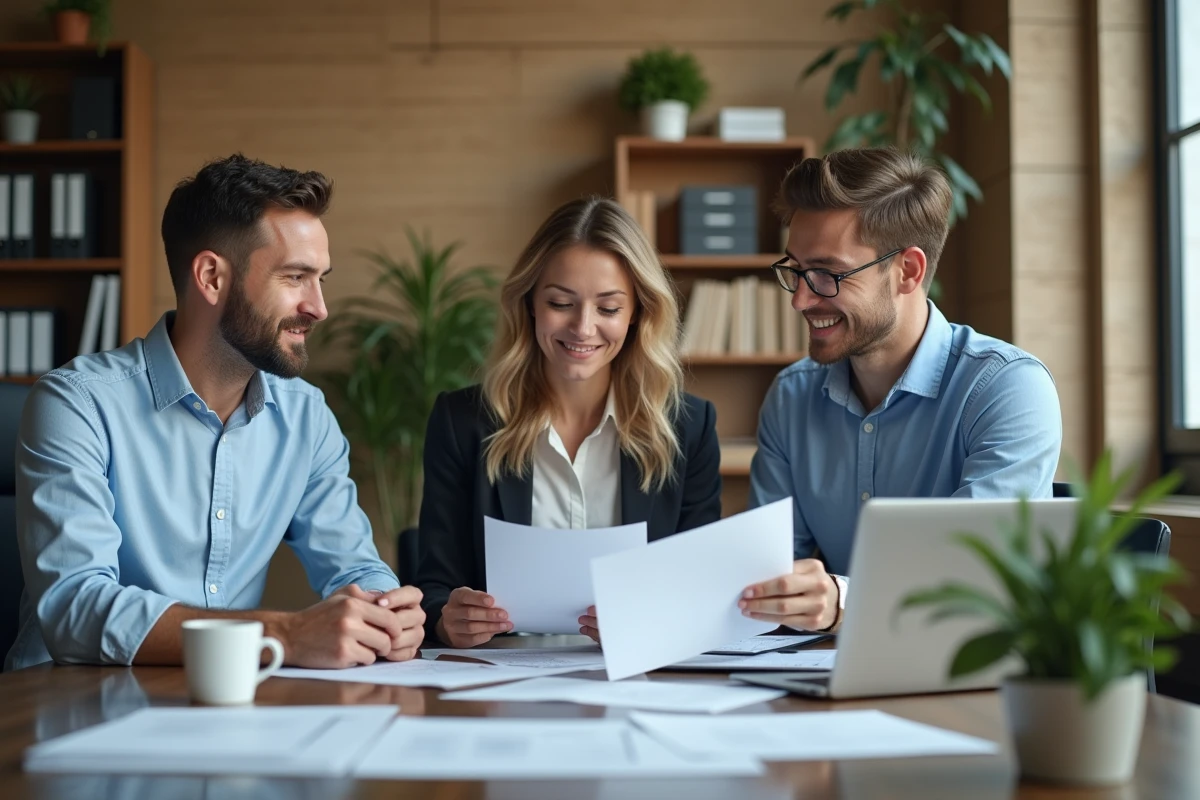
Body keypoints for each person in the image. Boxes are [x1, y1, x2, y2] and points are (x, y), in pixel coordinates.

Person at [6, 154, 424, 671]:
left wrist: (387, 612)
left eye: (321, 279)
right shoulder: (77, 403)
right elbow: (75, 608)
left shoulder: (306, 418)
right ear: (210, 276)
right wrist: (283, 635)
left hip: (222, 705)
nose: (319, 307)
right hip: (66, 706)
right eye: (295, 277)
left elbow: (354, 567)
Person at [738, 148, 1062, 633]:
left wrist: (841, 599)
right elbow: (765, 569)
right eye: (796, 270)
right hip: (833, 674)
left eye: (827, 274)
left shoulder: (1007, 389)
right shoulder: (791, 396)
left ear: (908, 271)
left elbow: (973, 581)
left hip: (977, 682)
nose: (802, 299)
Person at [415, 197, 722, 648]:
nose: (582, 327)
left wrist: (658, 618)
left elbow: (702, 588)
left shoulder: (688, 427)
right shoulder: (463, 422)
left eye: (609, 309)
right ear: (530, 304)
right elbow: (434, 587)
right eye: (561, 302)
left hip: (637, 678)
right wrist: (447, 619)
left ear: (638, 313)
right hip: (500, 684)